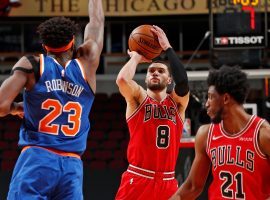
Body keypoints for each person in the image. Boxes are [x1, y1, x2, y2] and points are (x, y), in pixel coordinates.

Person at [0, 0, 104, 199]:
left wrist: (17, 108)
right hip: (72, 166)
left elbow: (1, 106)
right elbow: (97, 21)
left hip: (37, 159)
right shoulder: (88, 62)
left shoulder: (32, 64)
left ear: (44, 45)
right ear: (73, 41)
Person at [170, 66, 270, 200]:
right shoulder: (206, 134)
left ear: (226, 98)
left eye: (211, 97)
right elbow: (193, 186)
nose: (206, 104)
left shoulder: (263, 134)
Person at [115, 25, 190, 200]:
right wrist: (135, 58)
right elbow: (122, 79)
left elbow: (183, 83)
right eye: (151, 71)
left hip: (168, 181)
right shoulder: (138, 98)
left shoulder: (177, 103)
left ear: (169, 79)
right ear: (146, 77)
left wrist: (168, 48)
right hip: (138, 177)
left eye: (161, 71)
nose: (155, 72)